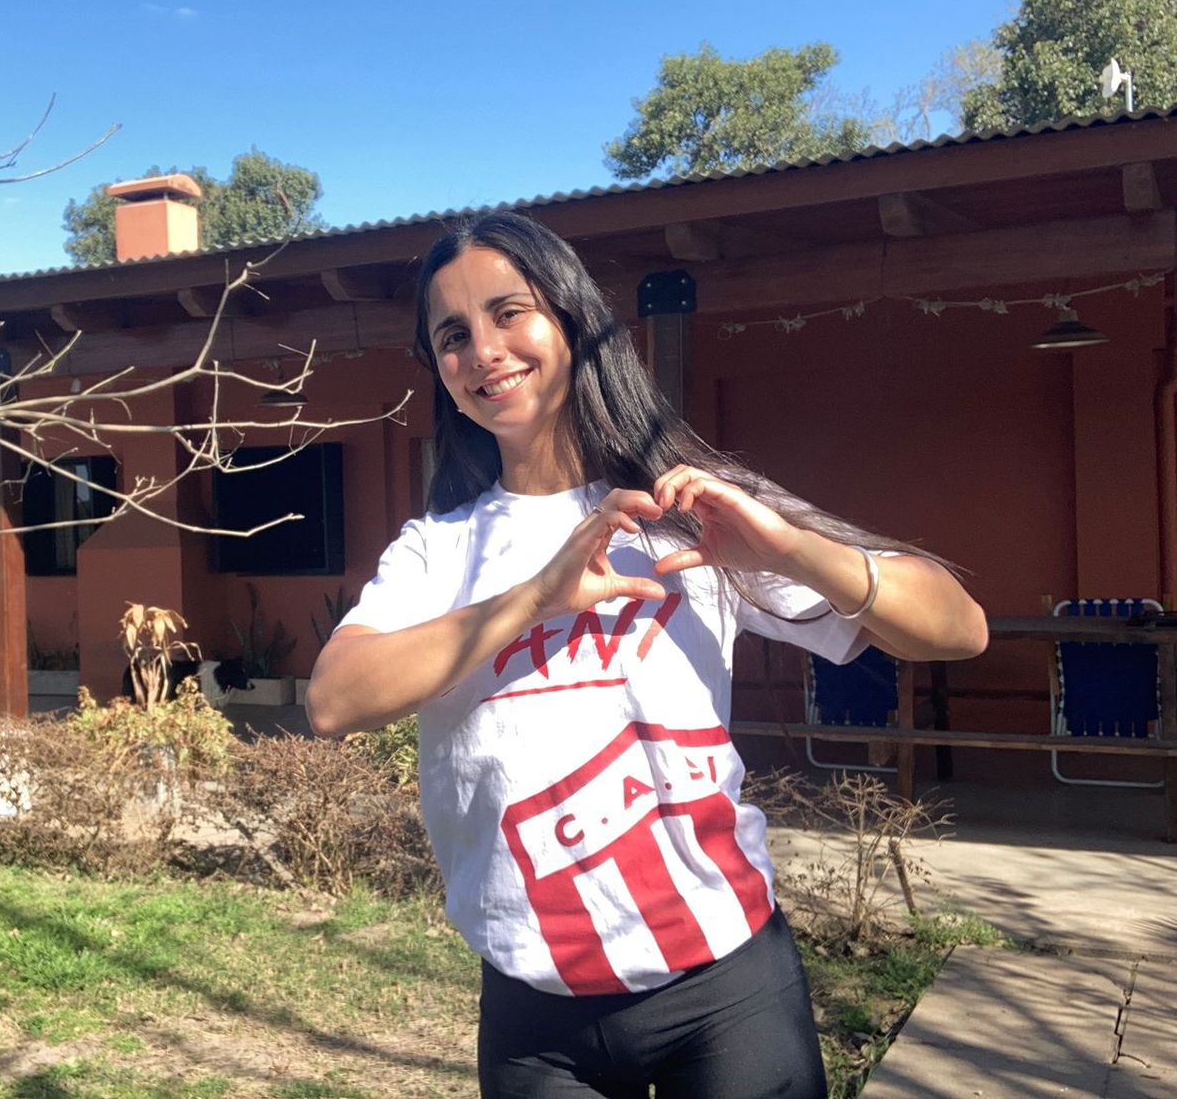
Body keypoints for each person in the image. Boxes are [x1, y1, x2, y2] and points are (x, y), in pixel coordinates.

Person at [307, 211, 987, 1098]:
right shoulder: (438, 550)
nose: (484, 351)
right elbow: (333, 699)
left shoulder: (690, 507)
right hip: (533, 1011)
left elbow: (957, 627)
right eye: (453, 335)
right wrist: (532, 598)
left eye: (510, 312)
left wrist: (789, 550)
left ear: (575, 321)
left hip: (727, 985)